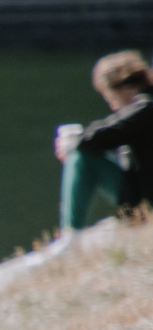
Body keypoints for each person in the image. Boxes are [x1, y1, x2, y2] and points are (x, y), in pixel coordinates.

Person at [55, 49, 152, 232]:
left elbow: (97, 136)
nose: (112, 105)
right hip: (144, 196)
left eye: (110, 97)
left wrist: (70, 144)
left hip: (145, 208)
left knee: (80, 156)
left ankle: (70, 235)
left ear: (125, 88)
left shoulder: (144, 109)